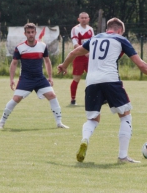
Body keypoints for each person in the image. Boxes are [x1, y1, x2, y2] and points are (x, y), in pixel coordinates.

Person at [57, 17, 147, 163]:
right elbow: (142, 66)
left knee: (93, 119)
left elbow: (74, 53)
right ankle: (122, 156)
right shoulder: (121, 39)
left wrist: (64, 65)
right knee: (125, 116)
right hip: (111, 80)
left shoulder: (94, 38)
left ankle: (85, 138)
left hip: (91, 82)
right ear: (119, 31)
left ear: (107, 29)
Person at [0, 23, 69, 129]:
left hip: (39, 78)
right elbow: (14, 63)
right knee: (16, 98)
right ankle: (1, 122)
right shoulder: (20, 48)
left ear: (35, 33)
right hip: (26, 78)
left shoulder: (42, 46)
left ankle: (59, 123)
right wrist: (11, 79)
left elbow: (47, 61)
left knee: (52, 96)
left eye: (32, 32)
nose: (31, 34)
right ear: (25, 34)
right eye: (28, 32)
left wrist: (50, 77)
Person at [70, 12, 94, 105]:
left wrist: (90, 53)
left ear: (88, 19)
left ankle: (93, 98)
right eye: (82, 18)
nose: (84, 19)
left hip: (89, 58)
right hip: (79, 57)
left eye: (85, 18)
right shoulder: (75, 29)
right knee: (77, 78)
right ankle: (73, 99)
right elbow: (75, 44)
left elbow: (93, 43)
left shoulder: (90, 29)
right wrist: (85, 53)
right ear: (78, 19)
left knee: (93, 78)